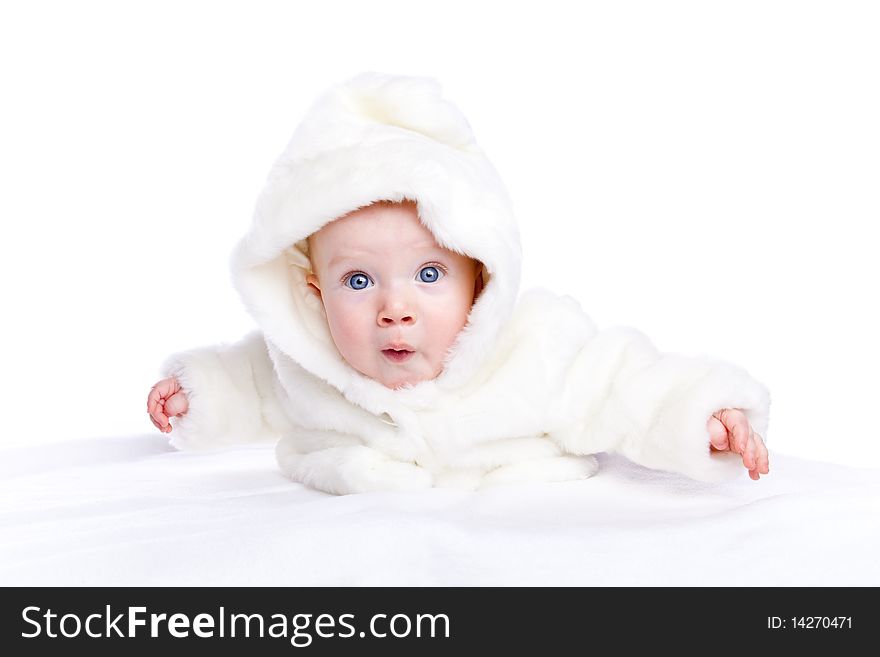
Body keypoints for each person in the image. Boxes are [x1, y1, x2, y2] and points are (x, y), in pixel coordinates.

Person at [147, 72, 770, 495]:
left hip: (521, 523)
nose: (395, 309)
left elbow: (624, 387)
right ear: (313, 294)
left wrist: (699, 415)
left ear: (481, 280)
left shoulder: (537, 348)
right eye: (359, 280)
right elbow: (252, 384)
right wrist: (197, 396)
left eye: (429, 274)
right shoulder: (305, 362)